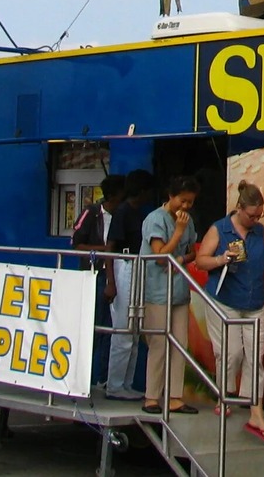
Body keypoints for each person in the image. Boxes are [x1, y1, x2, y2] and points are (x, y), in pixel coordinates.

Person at [196, 179, 264, 441]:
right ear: (240, 208)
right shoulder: (219, 229)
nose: (256, 220)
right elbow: (201, 261)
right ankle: (224, 396)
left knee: (255, 357)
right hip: (224, 301)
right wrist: (221, 259)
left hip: (255, 302)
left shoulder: (260, 231)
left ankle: (255, 411)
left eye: (259, 215)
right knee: (231, 352)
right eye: (252, 215)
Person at [140, 174, 199, 415]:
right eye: (182, 200)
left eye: (190, 202)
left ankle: (175, 397)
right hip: (156, 292)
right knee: (159, 344)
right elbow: (160, 256)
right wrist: (178, 231)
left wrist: (181, 259)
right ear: (171, 196)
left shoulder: (188, 221)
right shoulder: (155, 219)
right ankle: (151, 397)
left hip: (179, 292)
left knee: (180, 344)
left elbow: (192, 252)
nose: (185, 206)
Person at [104, 169, 156, 400]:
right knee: (123, 330)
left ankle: (125, 384)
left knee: (134, 332)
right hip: (124, 266)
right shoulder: (123, 212)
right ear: (142, 191)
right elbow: (110, 248)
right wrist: (111, 283)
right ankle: (114, 385)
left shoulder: (137, 212)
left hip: (138, 267)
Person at [71, 173, 126, 390]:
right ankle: (82, 377)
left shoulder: (121, 215)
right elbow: (77, 244)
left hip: (119, 273)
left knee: (110, 329)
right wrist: (106, 250)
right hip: (95, 275)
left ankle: (103, 378)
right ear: (113, 195)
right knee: (94, 326)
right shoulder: (91, 213)